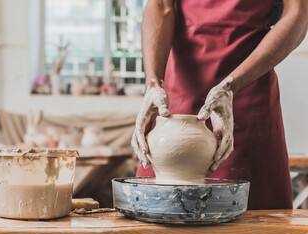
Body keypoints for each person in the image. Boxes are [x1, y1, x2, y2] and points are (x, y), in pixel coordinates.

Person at [132, 0, 308, 209]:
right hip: (175, 99)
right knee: (160, 217)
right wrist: (152, 83)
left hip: (246, 92)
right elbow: (160, 5)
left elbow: (298, 13)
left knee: (254, 222)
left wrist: (231, 87)